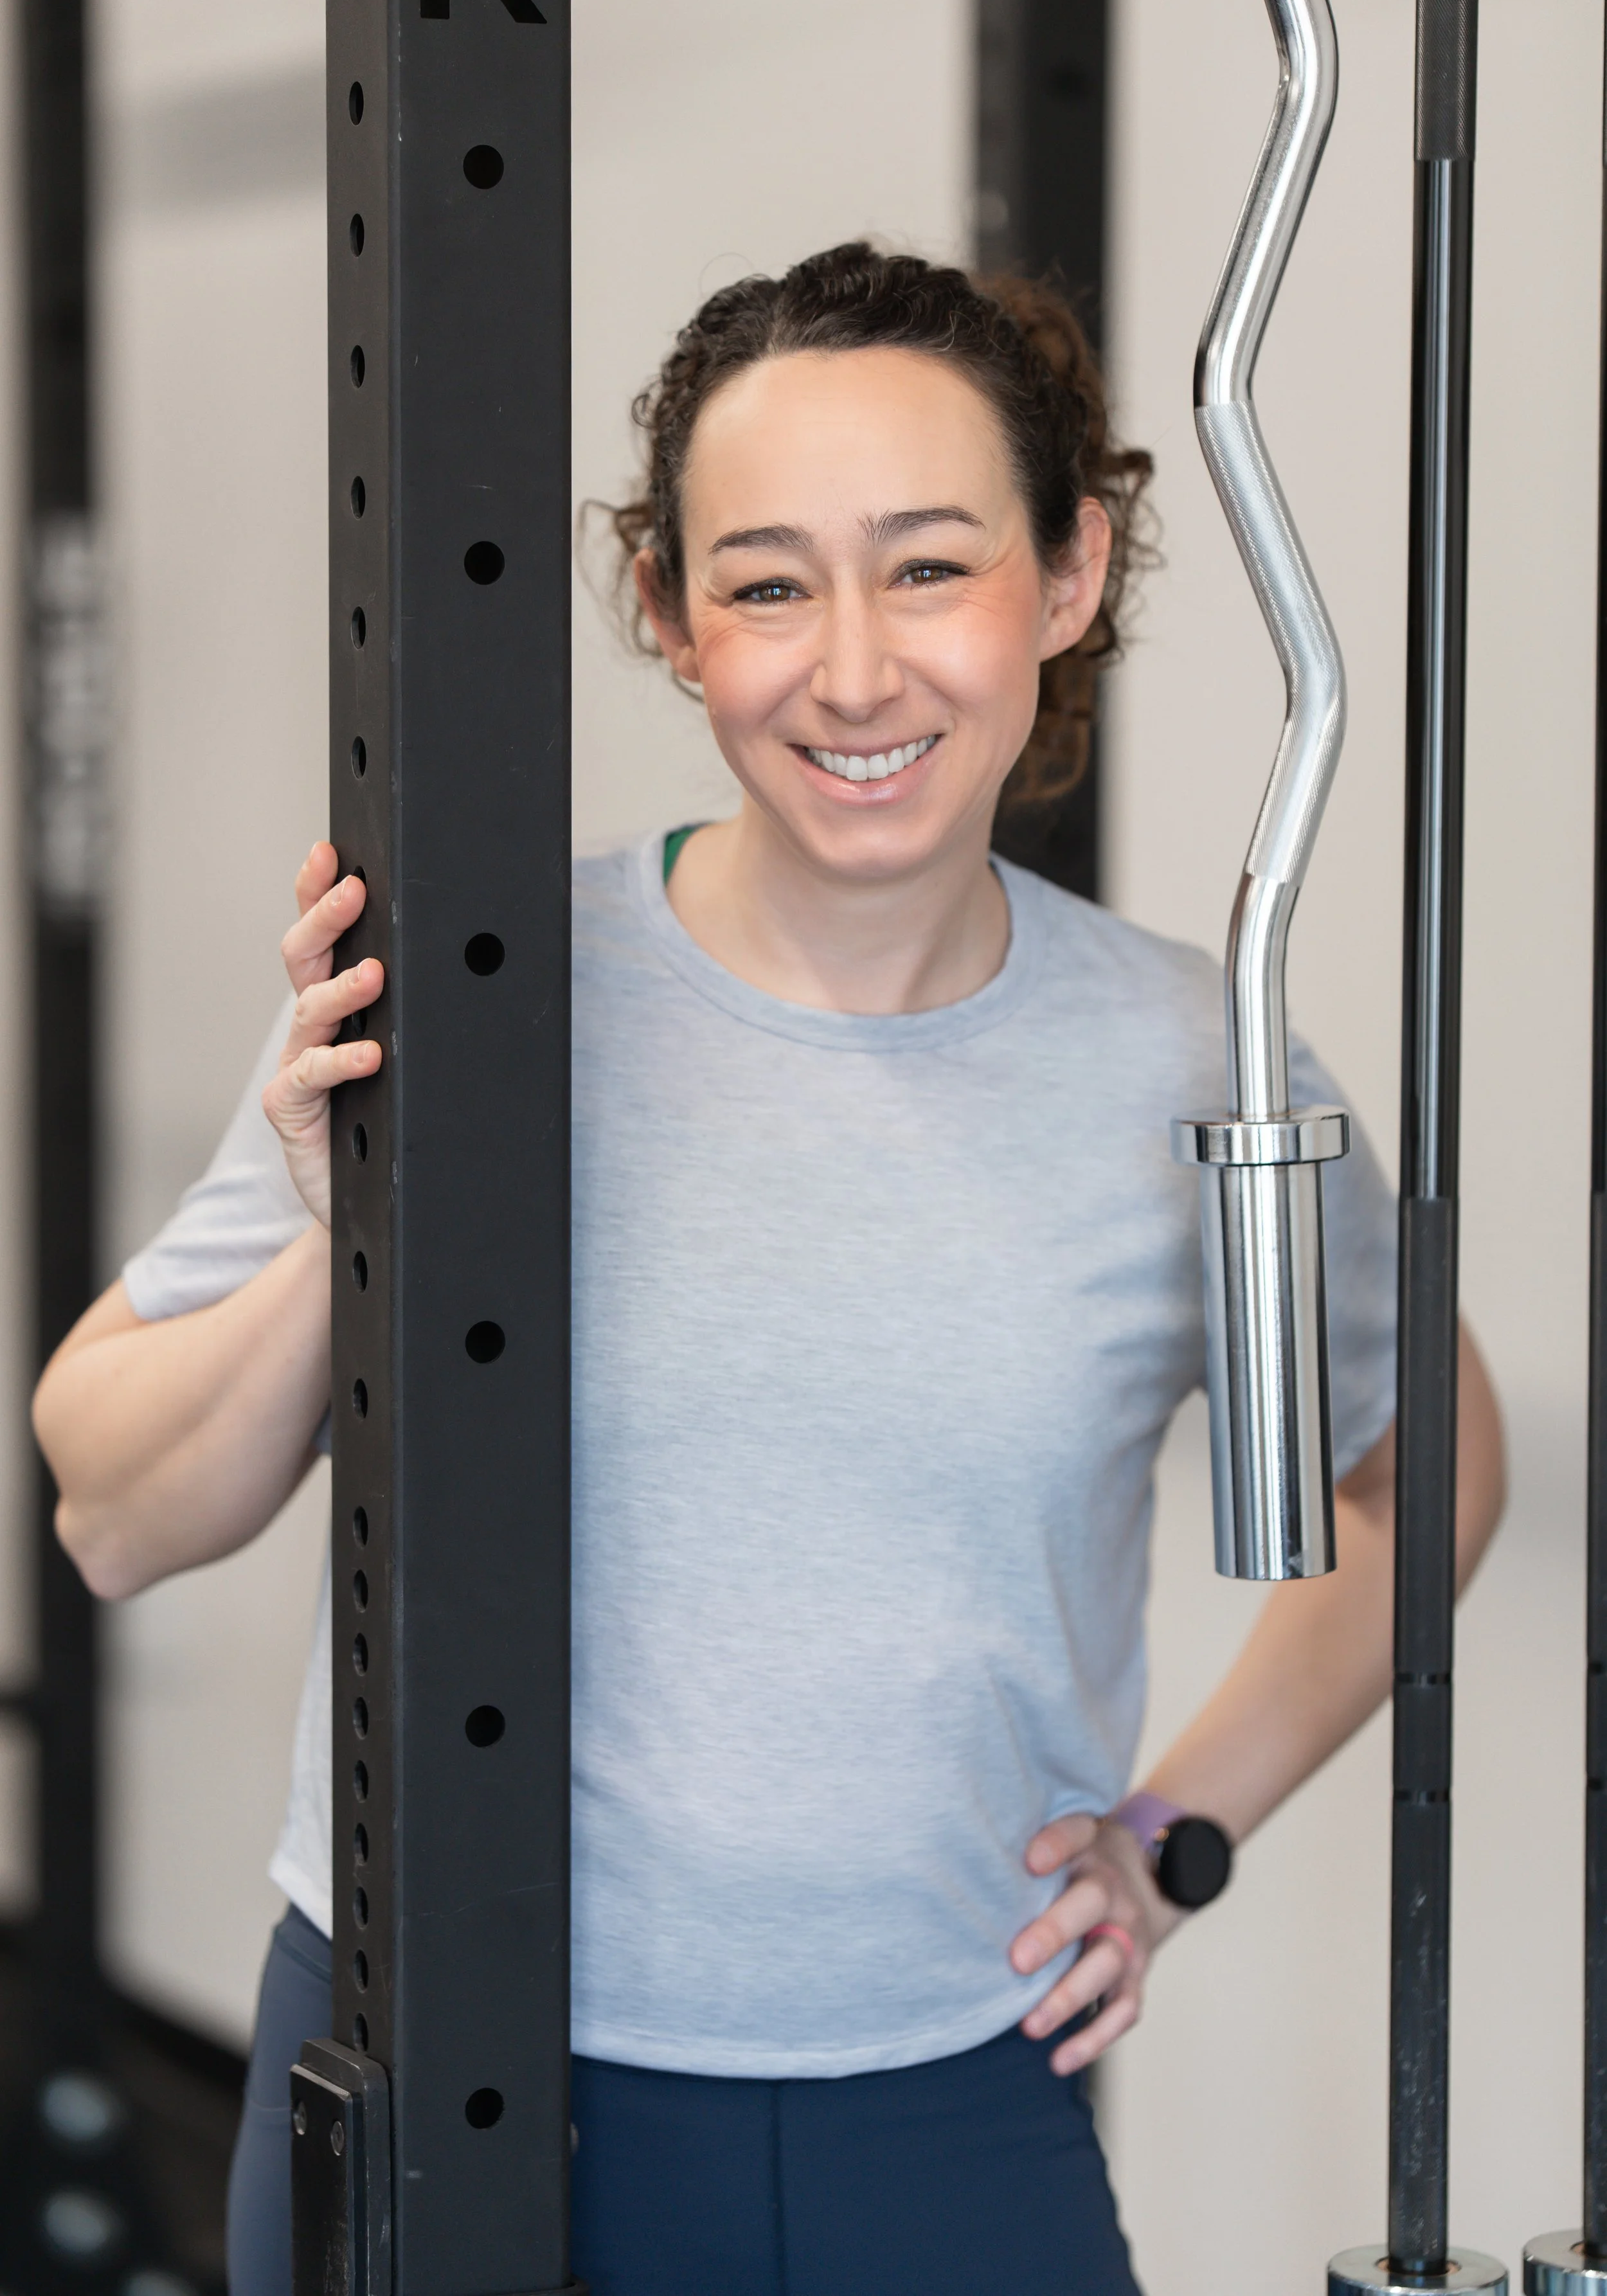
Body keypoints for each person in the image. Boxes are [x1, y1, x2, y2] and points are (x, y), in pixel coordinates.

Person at [33, 244, 1504, 2296]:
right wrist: (350, 1215)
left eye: (926, 566)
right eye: (763, 580)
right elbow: (109, 1509)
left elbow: (1425, 1460)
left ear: (1067, 577)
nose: (851, 671)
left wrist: (1177, 1831)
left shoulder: (1189, 1060)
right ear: (664, 610)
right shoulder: (472, 984)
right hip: (434, 2050)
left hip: (938, 2091)